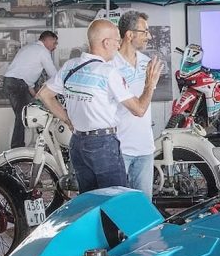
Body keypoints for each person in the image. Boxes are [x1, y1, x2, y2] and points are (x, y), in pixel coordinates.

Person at [37, 19, 162, 193]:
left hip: (77, 143)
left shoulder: (70, 66)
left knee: (90, 199)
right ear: (106, 42)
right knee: (115, 200)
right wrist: (150, 85)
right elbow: (139, 109)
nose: (118, 45)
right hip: (103, 145)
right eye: (117, 41)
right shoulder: (108, 72)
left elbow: (44, 94)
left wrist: (67, 119)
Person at [111, 11, 159, 199]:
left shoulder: (147, 63)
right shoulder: (110, 65)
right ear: (130, 35)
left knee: (143, 205)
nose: (149, 36)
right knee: (117, 205)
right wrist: (149, 85)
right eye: (144, 31)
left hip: (145, 147)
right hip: (119, 148)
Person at [3, 30, 58, 148]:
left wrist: (36, 96)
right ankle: (17, 148)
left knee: (27, 114)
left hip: (9, 82)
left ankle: (33, 144)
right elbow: (53, 75)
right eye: (54, 43)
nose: (55, 47)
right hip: (18, 84)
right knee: (23, 116)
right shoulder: (43, 51)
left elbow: (26, 78)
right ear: (47, 40)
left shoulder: (27, 48)